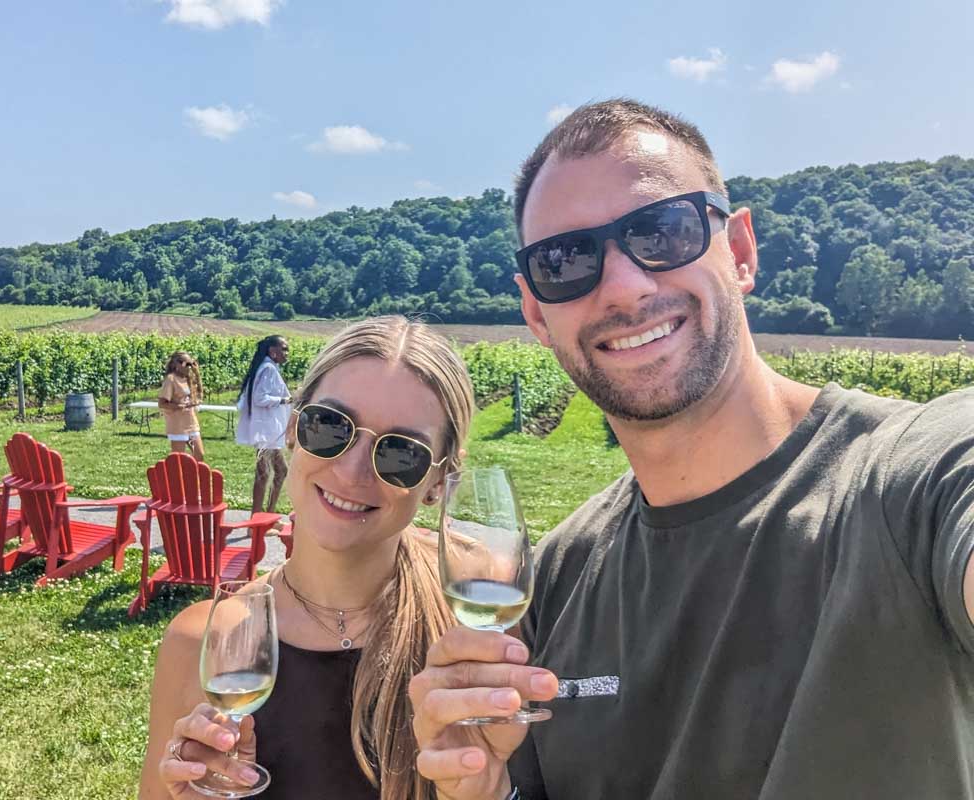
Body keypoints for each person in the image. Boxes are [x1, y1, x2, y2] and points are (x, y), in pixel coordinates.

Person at [410, 98, 974, 800]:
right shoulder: (555, 579)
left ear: (739, 251)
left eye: (661, 230)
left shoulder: (912, 478)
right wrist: (486, 792)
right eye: (566, 260)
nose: (623, 286)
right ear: (536, 315)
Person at [138, 316, 476, 800]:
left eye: (401, 453)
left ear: (438, 482)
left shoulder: (470, 633)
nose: (352, 472)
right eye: (329, 426)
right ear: (294, 428)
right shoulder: (203, 645)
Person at [235, 335, 293, 517]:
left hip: (267, 430)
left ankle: (266, 515)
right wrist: (285, 400)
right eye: (284, 349)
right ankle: (260, 518)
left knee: (274, 471)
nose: (287, 353)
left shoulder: (267, 367)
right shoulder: (268, 369)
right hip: (267, 431)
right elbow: (260, 398)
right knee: (267, 473)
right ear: (272, 351)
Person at [158, 351, 205, 461]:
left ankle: (192, 472)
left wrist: (197, 374)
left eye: (191, 363)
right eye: (186, 364)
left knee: (199, 455)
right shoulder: (171, 379)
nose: (189, 367)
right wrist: (179, 406)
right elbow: (162, 403)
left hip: (191, 423)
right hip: (178, 425)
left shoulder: (187, 378)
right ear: (177, 364)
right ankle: (177, 472)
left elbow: (200, 395)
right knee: (178, 459)